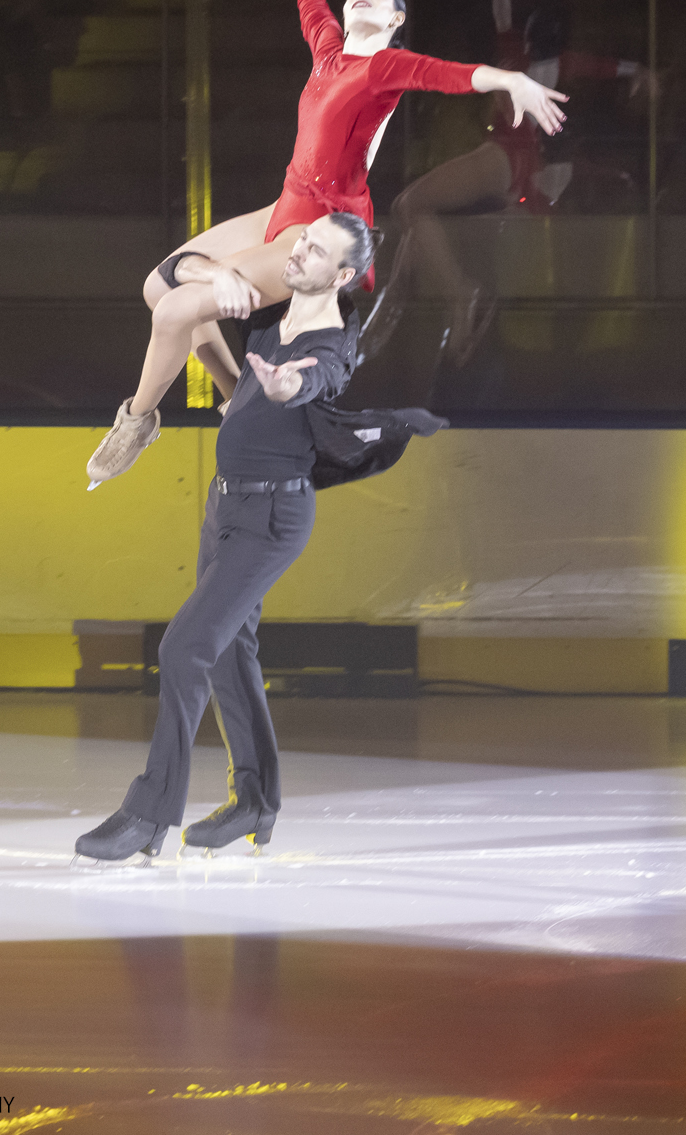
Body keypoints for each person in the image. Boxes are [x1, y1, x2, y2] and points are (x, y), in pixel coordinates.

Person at [85, 0, 566, 487]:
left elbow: (446, 74)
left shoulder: (384, 66)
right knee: (157, 287)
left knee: (175, 313)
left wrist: (512, 80)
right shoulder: (328, 50)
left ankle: (137, 419)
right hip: (286, 202)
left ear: (395, 19)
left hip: (321, 224)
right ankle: (233, 395)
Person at [75, 213, 446, 862]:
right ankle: (255, 801)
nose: (297, 251)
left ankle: (148, 814)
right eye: (302, 239)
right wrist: (216, 274)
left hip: (273, 517)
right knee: (225, 652)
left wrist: (287, 383)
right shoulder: (272, 314)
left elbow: (317, 378)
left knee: (184, 647)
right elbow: (169, 276)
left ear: (343, 276)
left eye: (316, 250)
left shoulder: (331, 341)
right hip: (226, 506)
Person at [358, 0, 655, 367]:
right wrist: (639, 70)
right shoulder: (562, 61)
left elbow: (503, 17)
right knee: (415, 231)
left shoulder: (517, 55)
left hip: (506, 154)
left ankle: (458, 295)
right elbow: (605, 66)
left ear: (531, 38)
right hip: (523, 163)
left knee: (409, 206)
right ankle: (411, 317)